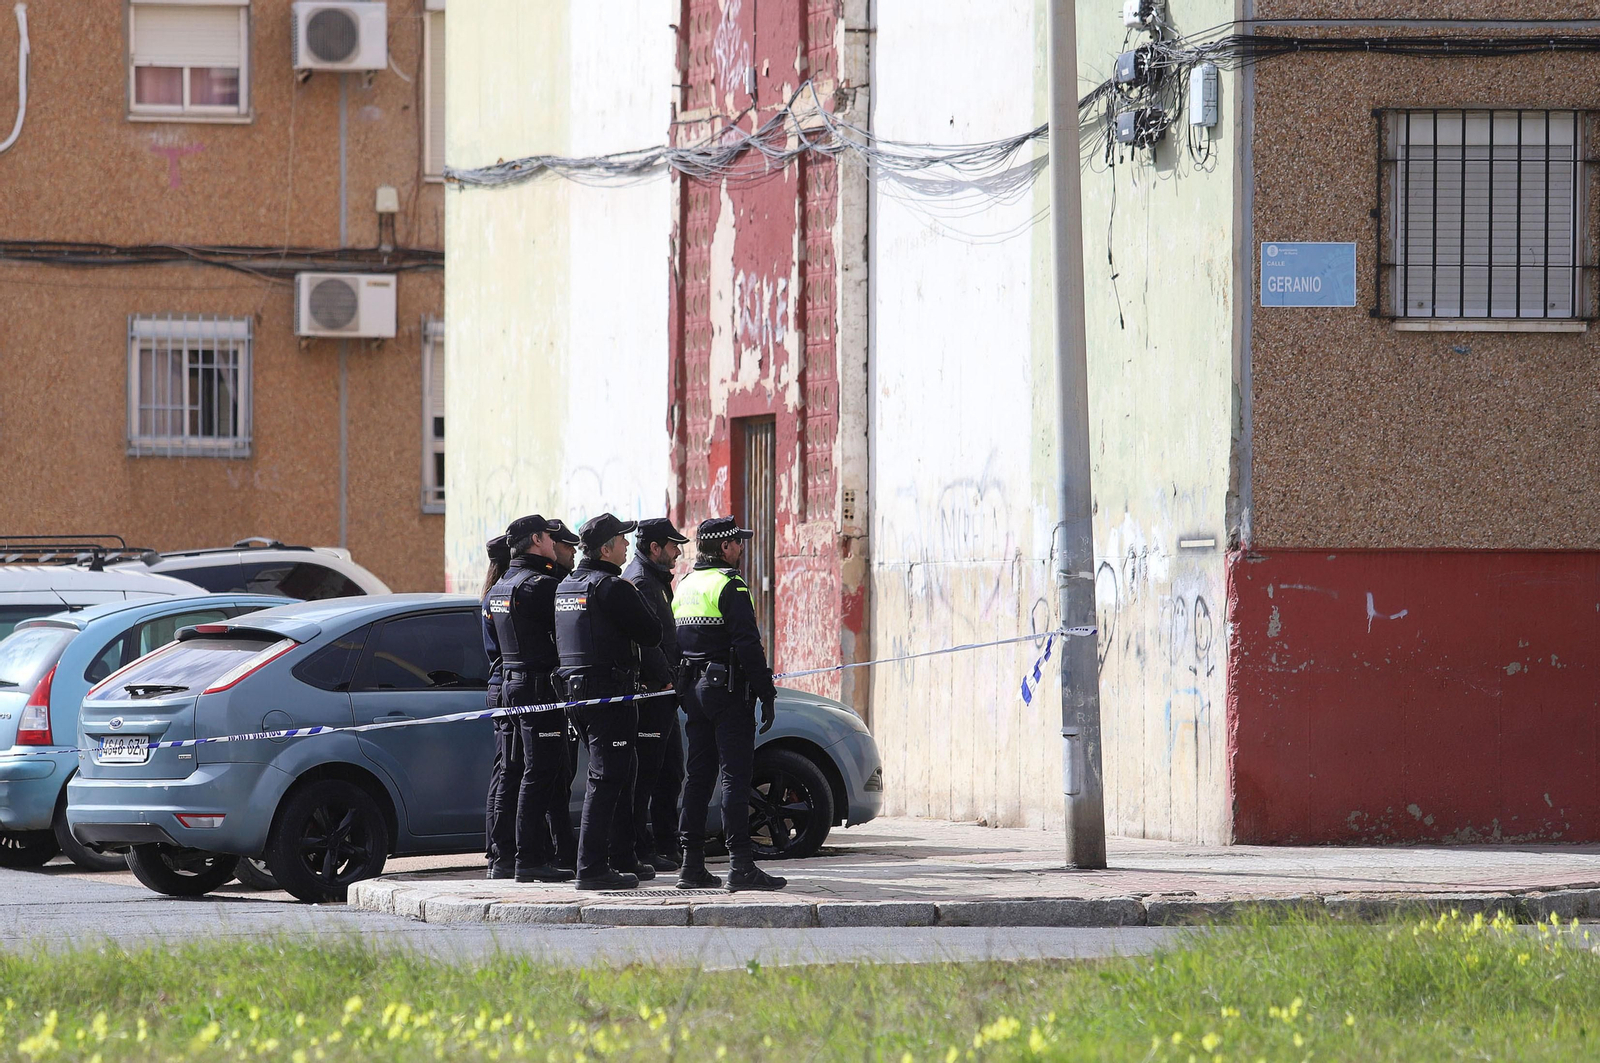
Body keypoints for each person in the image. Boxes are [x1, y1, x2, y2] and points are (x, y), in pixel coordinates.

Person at [672, 516, 786, 892]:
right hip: (728, 692)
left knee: (698, 777)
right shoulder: (730, 584)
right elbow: (748, 644)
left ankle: (691, 865)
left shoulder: (686, 584)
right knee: (734, 777)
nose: (741, 548)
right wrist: (766, 692)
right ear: (724, 547)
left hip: (694, 692)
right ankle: (741, 865)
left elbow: (675, 643)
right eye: (737, 542)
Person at [554, 513, 665, 891]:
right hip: (609, 695)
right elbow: (652, 633)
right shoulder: (612, 587)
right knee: (606, 778)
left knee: (622, 771)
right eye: (621, 540)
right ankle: (591, 868)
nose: (627, 546)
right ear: (605, 549)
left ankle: (622, 855)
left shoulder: (567, 585)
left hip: (578, 695)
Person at [487, 514, 582, 883]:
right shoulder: (540, 586)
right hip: (538, 688)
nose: (553, 543)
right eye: (548, 537)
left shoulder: (501, 587)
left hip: (513, 686)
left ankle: (506, 857)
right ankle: (528, 859)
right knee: (540, 773)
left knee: (516, 773)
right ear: (538, 539)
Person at [623, 516, 691, 873]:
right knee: (646, 775)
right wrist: (663, 678)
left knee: (670, 771)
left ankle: (667, 844)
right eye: (673, 546)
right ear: (654, 548)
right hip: (652, 694)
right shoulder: (639, 581)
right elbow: (646, 640)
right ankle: (640, 847)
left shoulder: (656, 579)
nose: (678, 552)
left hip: (665, 693)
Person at [480, 534, 515, 878]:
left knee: (502, 771)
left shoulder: (491, 594)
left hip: (497, 685)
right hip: (506, 683)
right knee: (508, 772)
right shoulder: (504, 595)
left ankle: (495, 851)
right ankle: (500, 853)